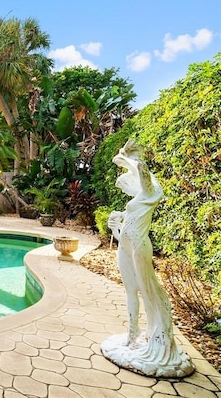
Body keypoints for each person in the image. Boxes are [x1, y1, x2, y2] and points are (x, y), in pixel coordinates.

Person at [103, 140, 194, 377]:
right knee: (130, 290)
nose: (124, 190)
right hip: (125, 244)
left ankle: (157, 336)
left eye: (125, 186)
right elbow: (127, 229)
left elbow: (142, 170)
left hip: (140, 247)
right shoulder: (137, 200)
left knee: (147, 290)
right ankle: (131, 335)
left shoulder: (151, 192)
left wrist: (126, 156)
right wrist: (115, 228)